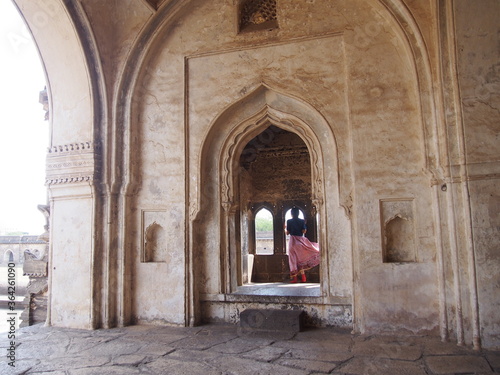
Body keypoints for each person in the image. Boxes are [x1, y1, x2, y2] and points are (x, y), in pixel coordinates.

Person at [285, 207, 320, 283]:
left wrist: (285, 228)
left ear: (291, 214)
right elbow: (304, 231)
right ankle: (303, 278)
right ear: (298, 213)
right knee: (301, 260)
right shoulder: (302, 221)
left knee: (293, 260)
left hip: (293, 241)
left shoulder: (289, 221)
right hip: (301, 241)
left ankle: (295, 279)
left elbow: (287, 233)